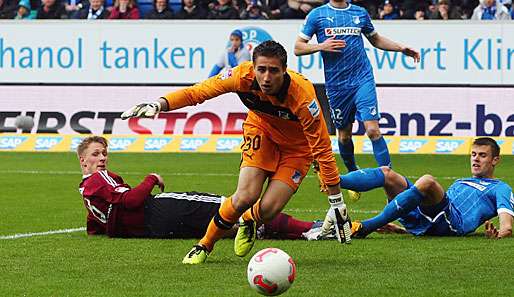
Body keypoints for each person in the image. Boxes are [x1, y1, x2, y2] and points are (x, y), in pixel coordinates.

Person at [121, 40, 351, 264]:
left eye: (274, 71)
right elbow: (198, 92)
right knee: (245, 196)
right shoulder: (240, 76)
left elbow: (322, 149)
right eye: (261, 70)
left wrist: (337, 203)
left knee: (269, 210)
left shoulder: (303, 98)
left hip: (297, 150)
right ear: (253, 67)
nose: (267, 78)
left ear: (285, 70)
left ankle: (249, 220)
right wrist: (159, 105)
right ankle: (204, 245)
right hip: (261, 132)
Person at [77, 135, 326, 240]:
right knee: (230, 206)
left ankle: (281, 231)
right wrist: (151, 178)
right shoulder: (100, 179)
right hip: (162, 209)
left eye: (104, 154)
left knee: (223, 228)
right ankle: (309, 229)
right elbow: (131, 200)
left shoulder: (85, 192)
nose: (102, 159)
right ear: (83, 160)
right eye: (96, 154)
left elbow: (96, 224)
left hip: (156, 229)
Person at [294, 0, 420, 200]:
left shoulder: (359, 13)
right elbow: (298, 48)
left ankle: (391, 180)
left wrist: (400, 48)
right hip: (336, 86)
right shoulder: (317, 15)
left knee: (372, 129)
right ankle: (353, 172)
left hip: (362, 79)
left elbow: (376, 39)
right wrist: (321, 46)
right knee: (344, 136)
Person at [337, 137, 513, 239]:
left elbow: (507, 225)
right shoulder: (461, 180)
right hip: (432, 216)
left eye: (482, 156)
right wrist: (403, 231)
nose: (475, 159)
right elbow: (435, 218)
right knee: (388, 174)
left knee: (427, 181)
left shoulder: (500, 188)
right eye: (473, 154)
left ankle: (365, 227)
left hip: (454, 223)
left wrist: (499, 235)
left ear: (495, 160)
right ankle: (335, 180)